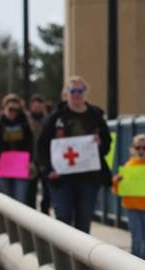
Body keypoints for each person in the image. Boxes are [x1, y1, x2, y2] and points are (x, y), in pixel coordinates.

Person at [36, 76, 112, 233]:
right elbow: (42, 146)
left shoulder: (95, 115)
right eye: (73, 91)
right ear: (66, 94)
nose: (76, 94)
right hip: (61, 179)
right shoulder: (56, 117)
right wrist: (49, 169)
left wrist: (100, 143)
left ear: (86, 93)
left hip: (89, 178)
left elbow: (107, 145)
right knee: (63, 219)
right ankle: (63, 257)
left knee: (84, 224)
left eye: (80, 91)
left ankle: (79, 258)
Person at [0, 93, 34, 203]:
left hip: (21, 164)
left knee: (20, 198)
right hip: (3, 164)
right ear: (4, 108)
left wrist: (30, 161)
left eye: (16, 110)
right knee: (6, 199)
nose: (13, 112)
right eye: (10, 109)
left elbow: (30, 143)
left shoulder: (24, 123)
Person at [26, 94, 51, 213]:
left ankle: (45, 213)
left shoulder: (49, 120)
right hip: (30, 161)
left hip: (45, 161)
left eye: (40, 105)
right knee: (30, 192)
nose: (37, 108)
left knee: (47, 192)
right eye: (35, 106)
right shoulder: (26, 121)